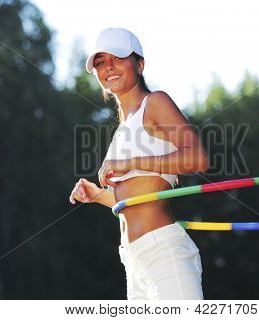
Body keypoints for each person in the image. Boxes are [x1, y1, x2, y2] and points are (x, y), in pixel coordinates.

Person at [69, 27, 209, 300]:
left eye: (118, 57)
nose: (108, 66)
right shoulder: (122, 127)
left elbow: (198, 158)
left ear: (140, 64)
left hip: (163, 252)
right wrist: (99, 196)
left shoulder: (155, 102)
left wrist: (132, 162)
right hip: (133, 262)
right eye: (100, 62)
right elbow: (135, 198)